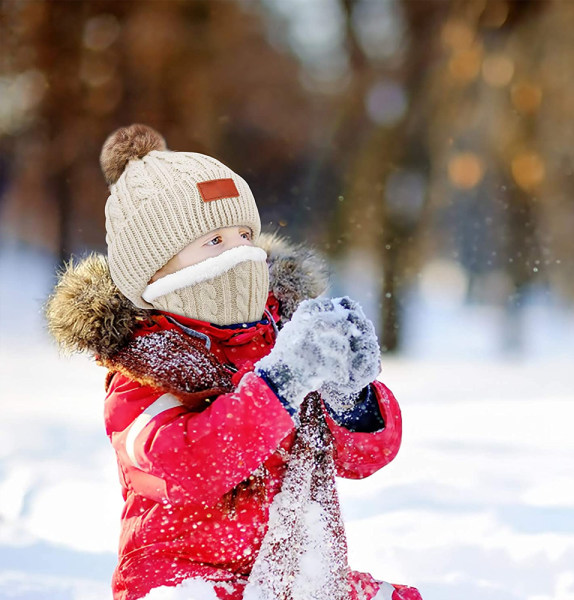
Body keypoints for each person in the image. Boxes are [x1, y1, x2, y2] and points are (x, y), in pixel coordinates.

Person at [46, 124, 422, 600]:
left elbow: (365, 458)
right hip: (182, 580)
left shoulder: (283, 334)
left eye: (245, 234)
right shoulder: (140, 367)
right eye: (214, 242)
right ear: (152, 269)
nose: (241, 252)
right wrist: (282, 382)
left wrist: (351, 395)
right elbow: (188, 466)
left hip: (294, 576)